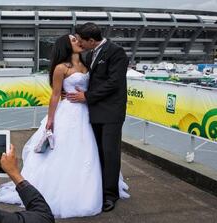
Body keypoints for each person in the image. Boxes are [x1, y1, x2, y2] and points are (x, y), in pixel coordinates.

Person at [0, 34, 129, 218]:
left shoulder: (87, 61)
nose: (78, 42)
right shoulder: (61, 68)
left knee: (87, 151)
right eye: (74, 41)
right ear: (66, 46)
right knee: (65, 151)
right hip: (69, 113)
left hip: (86, 112)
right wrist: (50, 120)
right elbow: (55, 95)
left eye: (78, 39)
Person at [67, 22, 129, 212]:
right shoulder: (90, 53)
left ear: (91, 40)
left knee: (110, 154)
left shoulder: (116, 52)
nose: (79, 44)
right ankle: (98, 189)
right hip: (94, 111)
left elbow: (114, 82)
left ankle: (110, 195)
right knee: (98, 153)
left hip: (111, 112)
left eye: (81, 41)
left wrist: (86, 96)